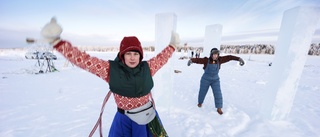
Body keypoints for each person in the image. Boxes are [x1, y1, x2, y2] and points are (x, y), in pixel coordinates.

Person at [40, 17, 179, 137]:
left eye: (136, 54)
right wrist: (58, 43)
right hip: (125, 121)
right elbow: (84, 60)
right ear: (122, 55)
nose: (132, 57)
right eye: (128, 53)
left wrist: (172, 46)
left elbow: (163, 58)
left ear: (140, 55)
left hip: (147, 118)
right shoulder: (110, 70)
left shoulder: (147, 68)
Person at [187, 48, 245, 115]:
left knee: (218, 93)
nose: (215, 56)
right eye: (214, 54)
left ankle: (219, 108)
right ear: (211, 54)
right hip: (205, 79)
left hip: (215, 80)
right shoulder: (206, 60)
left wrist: (239, 59)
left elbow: (229, 57)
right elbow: (198, 60)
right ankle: (200, 102)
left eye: (216, 54)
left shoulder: (220, 60)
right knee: (202, 92)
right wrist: (191, 60)